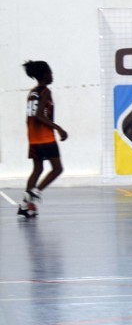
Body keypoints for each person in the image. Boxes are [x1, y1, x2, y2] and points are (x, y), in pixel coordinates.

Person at [18, 61, 68, 219]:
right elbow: (39, 115)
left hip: (33, 138)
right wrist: (58, 128)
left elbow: (31, 116)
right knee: (57, 169)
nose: (52, 76)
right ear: (45, 75)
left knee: (37, 169)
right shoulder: (45, 91)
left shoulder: (32, 92)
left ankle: (25, 206)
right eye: (51, 73)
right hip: (45, 137)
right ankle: (35, 192)